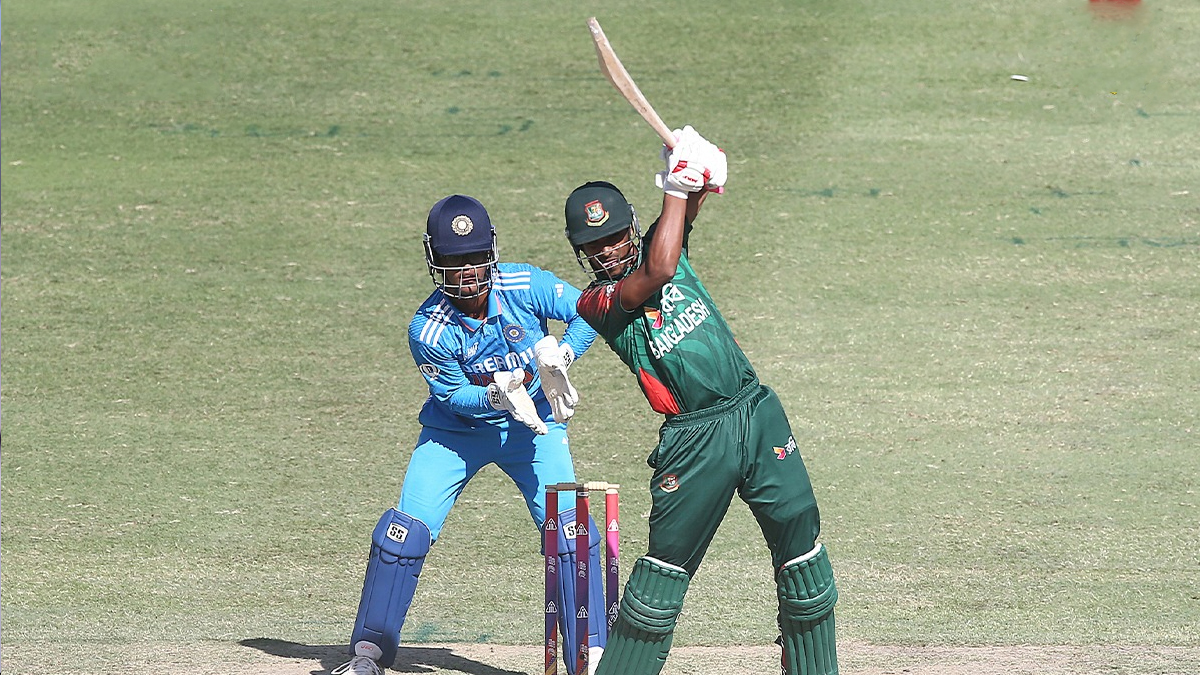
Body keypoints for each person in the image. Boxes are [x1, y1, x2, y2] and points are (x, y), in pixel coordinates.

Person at [560, 127, 838, 675]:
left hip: (754, 411)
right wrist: (675, 185)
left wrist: (696, 171)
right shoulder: (597, 303)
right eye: (593, 245)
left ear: (631, 228)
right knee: (658, 586)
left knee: (804, 554)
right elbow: (659, 268)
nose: (606, 250)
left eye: (613, 237)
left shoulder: (659, 244)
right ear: (580, 253)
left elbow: (682, 216)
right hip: (695, 441)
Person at [333, 194, 607, 675]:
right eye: (454, 261)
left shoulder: (525, 283)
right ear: (434, 261)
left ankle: (590, 655)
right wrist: (497, 397)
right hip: (455, 434)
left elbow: (590, 309)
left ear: (491, 252)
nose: (466, 273)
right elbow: (454, 396)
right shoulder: (428, 329)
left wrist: (562, 357)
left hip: (535, 428)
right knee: (403, 535)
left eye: (475, 258)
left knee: (570, 531)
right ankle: (368, 654)